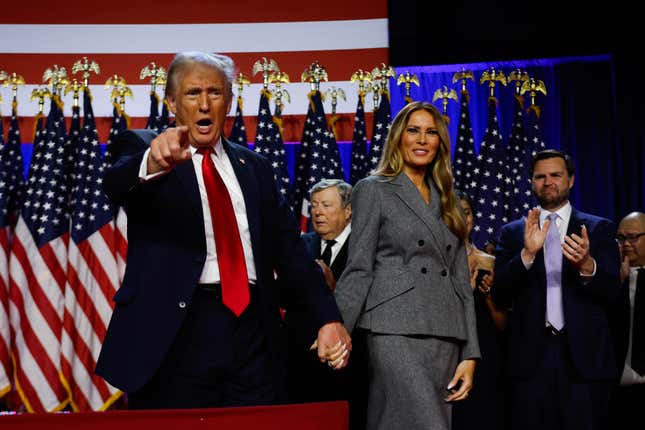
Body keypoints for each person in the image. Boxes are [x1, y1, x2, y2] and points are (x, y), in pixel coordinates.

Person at [95, 51, 351, 409]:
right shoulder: (143, 146)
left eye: (214, 93)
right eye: (192, 93)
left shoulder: (255, 168)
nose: (204, 104)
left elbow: (291, 255)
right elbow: (115, 183)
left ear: (228, 101)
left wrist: (326, 319)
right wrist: (153, 161)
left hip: (253, 332)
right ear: (171, 101)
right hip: (176, 333)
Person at [334, 101, 480, 430]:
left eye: (431, 132)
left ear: (440, 142)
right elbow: (359, 266)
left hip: (445, 333)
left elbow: (462, 285)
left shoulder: (450, 199)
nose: (422, 139)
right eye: (413, 130)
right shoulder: (373, 189)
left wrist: (470, 353)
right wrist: (337, 327)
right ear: (399, 137)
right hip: (393, 328)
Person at [492, 149, 622, 430]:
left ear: (571, 180)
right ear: (531, 182)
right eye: (540, 176)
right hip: (530, 362)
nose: (548, 182)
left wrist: (588, 266)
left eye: (555, 175)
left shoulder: (598, 229)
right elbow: (500, 294)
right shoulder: (513, 233)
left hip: (585, 361)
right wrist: (526, 255)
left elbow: (613, 293)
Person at [286, 178, 368, 429]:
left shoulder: (364, 249)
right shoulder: (298, 246)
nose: (318, 212)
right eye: (314, 205)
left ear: (347, 210)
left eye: (326, 205)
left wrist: (332, 290)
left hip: (351, 364)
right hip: (301, 366)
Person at [452, 190, 508, 430]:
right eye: (454, 213)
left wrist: (488, 297)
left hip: (485, 353)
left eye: (466, 212)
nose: (462, 219)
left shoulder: (490, 263)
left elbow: (504, 324)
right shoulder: (431, 266)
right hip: (446, 354)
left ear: (473, 218)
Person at [609, 211, 645, 428]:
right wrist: (618, 283)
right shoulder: (609, 279)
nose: (626, 244)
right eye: (621, 238)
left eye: (633, 237)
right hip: (616, 392)